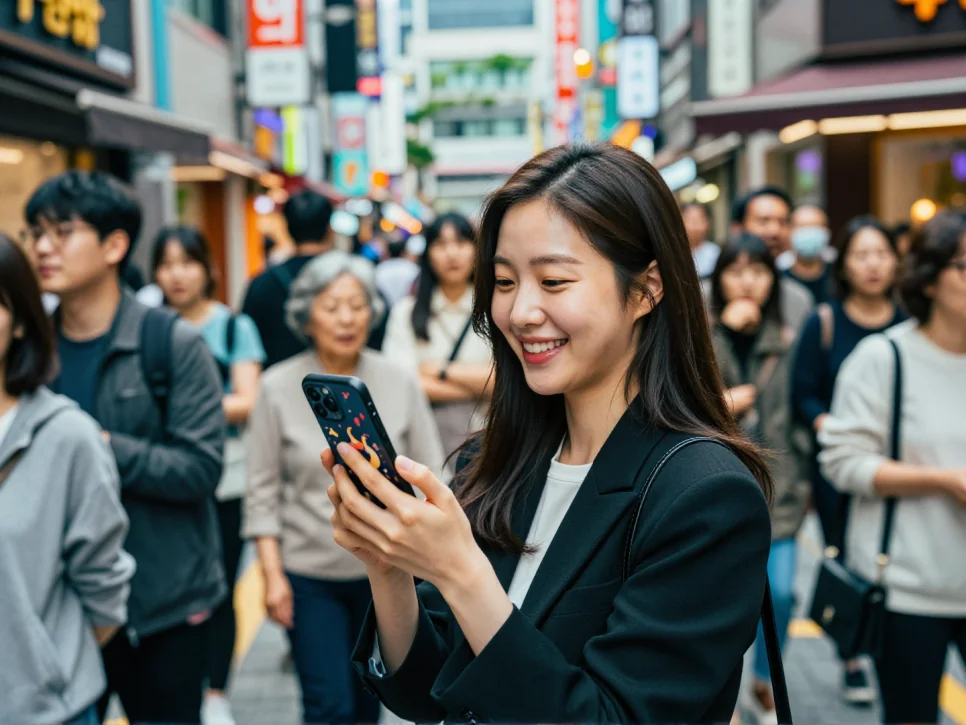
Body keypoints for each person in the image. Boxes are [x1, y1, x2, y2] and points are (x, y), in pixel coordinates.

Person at [325, 143, 772, 723]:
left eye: (554, 281)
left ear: (646, 288)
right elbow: (424, 693)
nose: (519, 312)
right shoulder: (494, 457)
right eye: (506, 281)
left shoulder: (704, 495)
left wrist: (460, 572)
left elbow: (611, 716)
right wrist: (390, 567)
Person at [24, 170, 227, 725]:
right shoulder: (26, 349)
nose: (42, 247)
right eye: (34, 233)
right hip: (57, 607)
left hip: (160, 607)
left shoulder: (170, 343)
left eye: (62, 232)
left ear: (115, 245)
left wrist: (96, 445)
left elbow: (201, 469)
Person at [243, 251, 445, 725]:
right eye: (332, 306)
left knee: (371, 702)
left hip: (390, 569)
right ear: (306, 313)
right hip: (310, 573)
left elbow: (433, 472)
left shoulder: (398, 380)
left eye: (357, 305)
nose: (347, 318)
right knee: (327, 704)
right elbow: (262, 490)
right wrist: (272, 576)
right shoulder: (275, 387)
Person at [820, 210, 966, 725]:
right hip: (908, 587)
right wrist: (944, 481)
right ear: (929, 278)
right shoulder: (884, 359)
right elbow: (841, 462)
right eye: (965, 267)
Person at [0, 233, 134, 725]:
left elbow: (103, 583)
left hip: (46, 710)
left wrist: (44, 664)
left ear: (19, 323)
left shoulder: (67, 437)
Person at [151, 225, 266, 725]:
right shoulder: (149, 328)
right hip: (162, 480)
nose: (177, 274)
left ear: (207, 268)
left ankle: (216, 689)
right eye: (166, 263)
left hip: (225, 479)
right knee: (171, 589)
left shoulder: (232, 326)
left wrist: (183, 410)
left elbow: (248, 400)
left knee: (219, 588)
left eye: (187, 261)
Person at [790, 215, 904, 707]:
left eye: (881, 253)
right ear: (845, 263)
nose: (873, 264)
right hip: (840, 467)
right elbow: (804, 394)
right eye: (862, 254)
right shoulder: (825, 321)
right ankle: (853, 655)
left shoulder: (909, 320)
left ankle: (894, 647)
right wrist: (830, 430)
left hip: (900, 467)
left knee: (895, 557)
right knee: (844, 556)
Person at [707, 234, 810, 725]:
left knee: (784, 591)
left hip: (781, 487)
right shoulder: (698, 333)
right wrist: (721, 337)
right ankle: (721, 692)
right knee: (720, 601)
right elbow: (676, 402)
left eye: (759, 270)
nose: (747, 280)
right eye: (735, 269)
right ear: (719, 278)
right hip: (716, 490)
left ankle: (767, 679)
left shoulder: (791, 337)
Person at [382, 213, 493, 459]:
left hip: (487, 445)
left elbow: (505, 380)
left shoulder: (494, 310)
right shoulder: (406, 313)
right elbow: (402, 384)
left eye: (461, 243)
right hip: (422, 448)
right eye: (441, 244)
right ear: (428, 254)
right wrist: (479, 386)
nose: (451, 253)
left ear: (476, 251)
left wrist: (439, 370)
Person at [242, 190, 390, 368]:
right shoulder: (357, 279)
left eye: (356, 305)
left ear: (287, 229)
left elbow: (247, 346)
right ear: (330, 229)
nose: (346, 319)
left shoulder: (261, 285)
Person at [730, 186, 814, 331]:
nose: (775, 231)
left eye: (783, 222)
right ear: (738, 228)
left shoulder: (798, 299)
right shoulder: (704, 297)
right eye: (763, 221)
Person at [784, 205, 833, 305]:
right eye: (803, 228)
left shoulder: (838, 276)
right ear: (789, 232)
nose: (809, 234)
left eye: (815, 227)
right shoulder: (780, 278)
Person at [376, 234, 424, 306]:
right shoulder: (412, 268)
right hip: (406, 306)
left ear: (388, 252)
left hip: (386, 307)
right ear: (403, 252)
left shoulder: (380, 268)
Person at [682, 201, 720, 279]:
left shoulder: (715, 252)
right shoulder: (674, 253)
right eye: (690, 220)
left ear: (708, 223)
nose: (695, 225)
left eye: (699, 219)